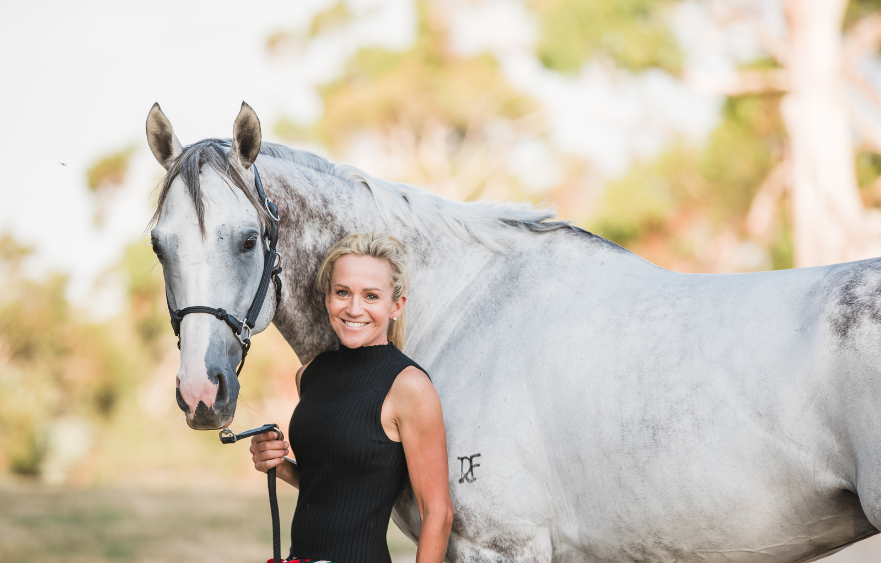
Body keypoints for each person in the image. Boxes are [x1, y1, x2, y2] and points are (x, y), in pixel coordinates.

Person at [250, 232, 453, 563]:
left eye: (371, 296)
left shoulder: (409, 387)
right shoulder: (311, 373)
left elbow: (438, 513)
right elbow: (333, 484)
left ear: (396, 305)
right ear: (328, 298)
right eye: (343, 292)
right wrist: (278, 465)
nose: (354, 308)